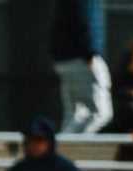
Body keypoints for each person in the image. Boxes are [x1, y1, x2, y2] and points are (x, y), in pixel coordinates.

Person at [51, 0, 112, 135]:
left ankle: (61, 150)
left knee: (74, 115)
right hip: (81, 58)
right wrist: (89, 52)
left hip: (64, 58)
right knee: (100, 113)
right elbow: (85, 19)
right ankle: (66, 149)